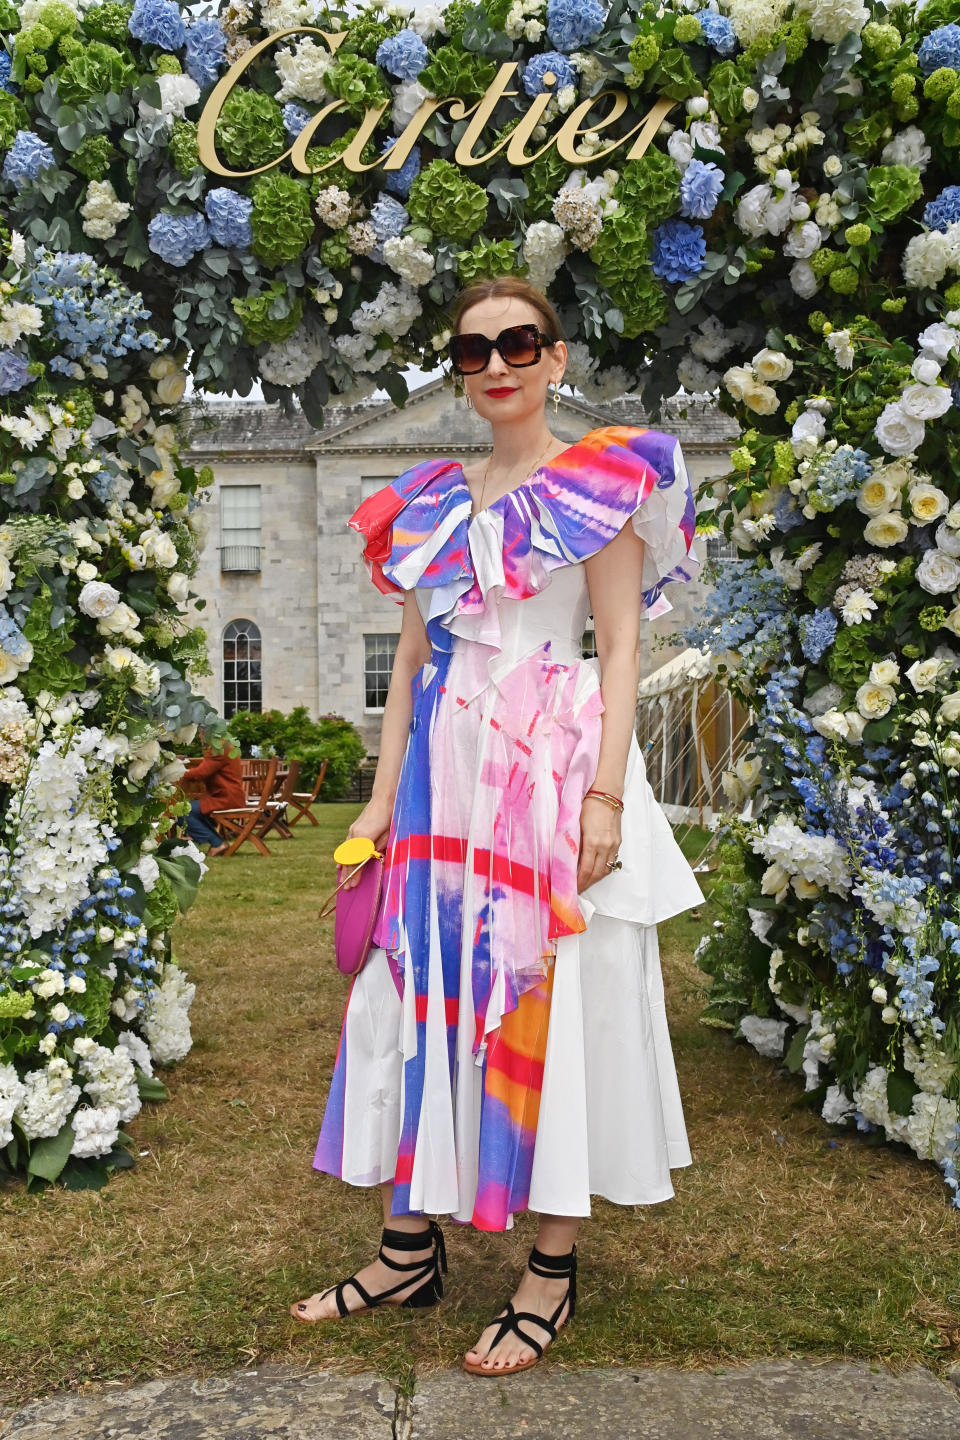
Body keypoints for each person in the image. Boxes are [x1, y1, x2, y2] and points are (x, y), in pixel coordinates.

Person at [292, 278, 706, 1376]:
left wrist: (606, 798)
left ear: (556, 358)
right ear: (460, 373)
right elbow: (415, 662)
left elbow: (621, 651)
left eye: (519, 342)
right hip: (444, 774)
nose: (498, 364)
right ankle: (407, 1247)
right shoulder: (427, 502)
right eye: (475, 351)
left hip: (552, 766)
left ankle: (550, 1273)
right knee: (415, 994)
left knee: (549, 1009)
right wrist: (378, 806)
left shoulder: (602, 487)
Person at [180, 736, 247, 857]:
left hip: (225, 798)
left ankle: (217, 843)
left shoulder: (218, 747)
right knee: (192, 810)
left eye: (201, 732)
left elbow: (201, 773)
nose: (200, 736)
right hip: (228, 796)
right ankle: (218, 842)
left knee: (182, 811)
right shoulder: (225, 744)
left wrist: (178, 772)